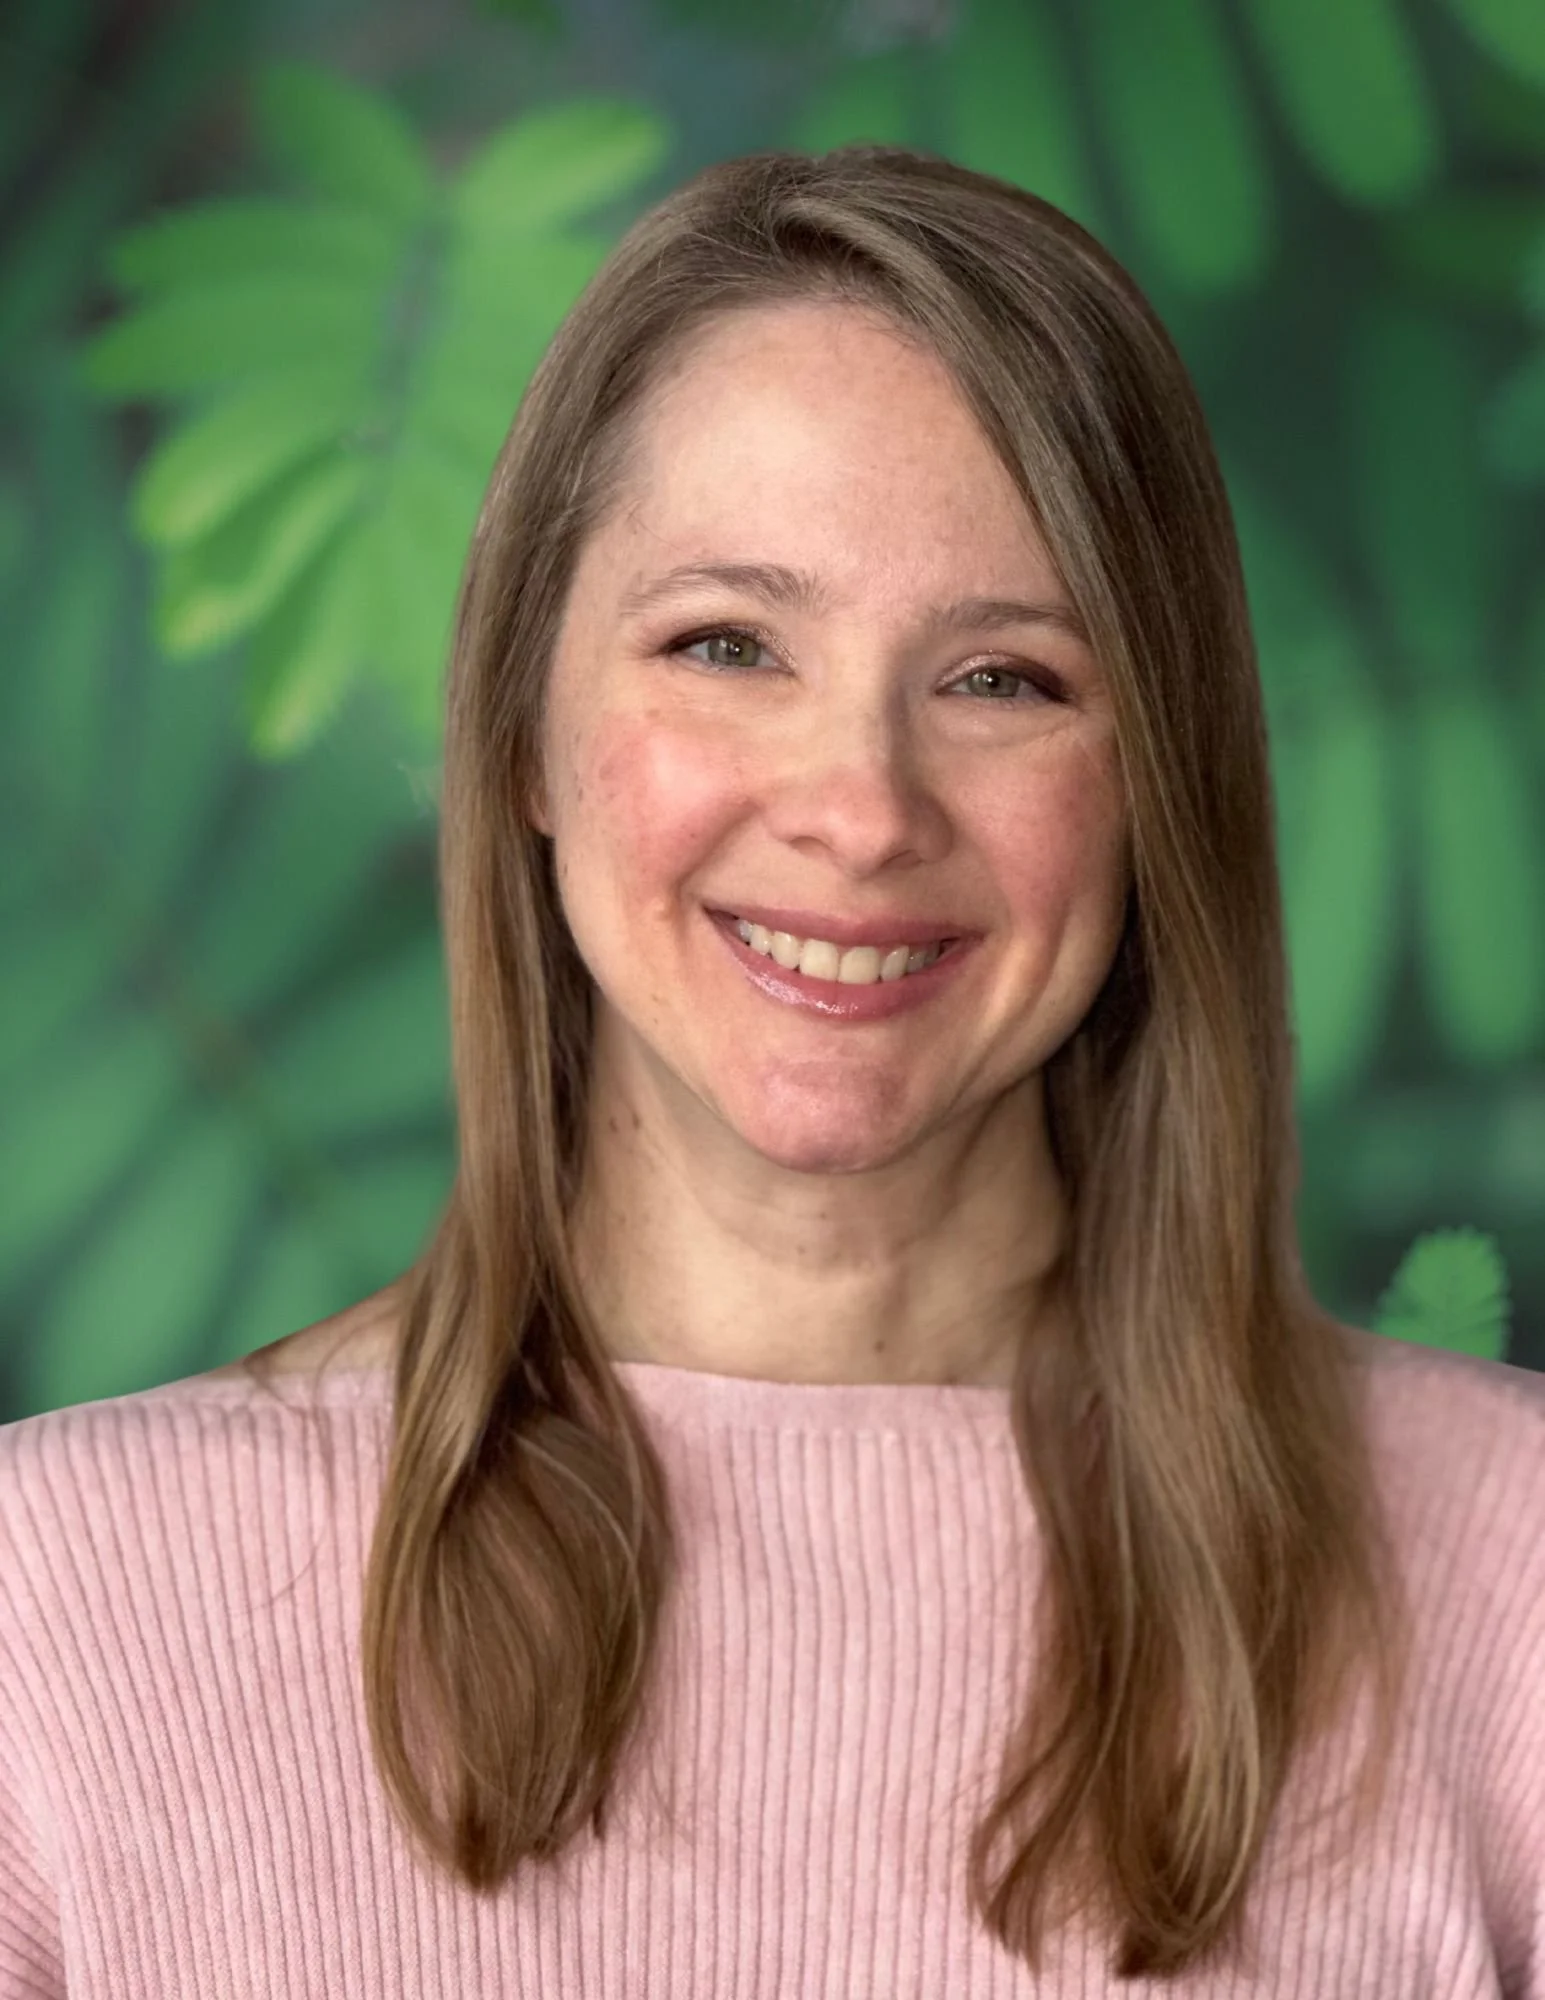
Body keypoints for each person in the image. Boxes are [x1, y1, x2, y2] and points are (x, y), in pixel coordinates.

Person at [2, 146, 1542, 1998]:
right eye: (728, 645)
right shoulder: (52, 1615)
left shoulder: (1514, 1585)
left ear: (1158, 788)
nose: (862, 810)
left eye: (1007, 678)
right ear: (525, 736)